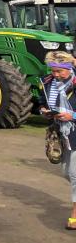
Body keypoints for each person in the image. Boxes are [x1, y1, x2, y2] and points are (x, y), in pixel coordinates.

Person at [40, 50, 76, 230]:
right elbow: (42, 102)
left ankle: (75, 215)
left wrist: (72, 116)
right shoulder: (47, 82)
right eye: (53, 71)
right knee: (65, 173)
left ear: (69, 68)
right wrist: (45, 112)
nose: (55, 75)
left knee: (74, 173)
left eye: (59, 71)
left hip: (74, 130)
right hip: (61, 133)